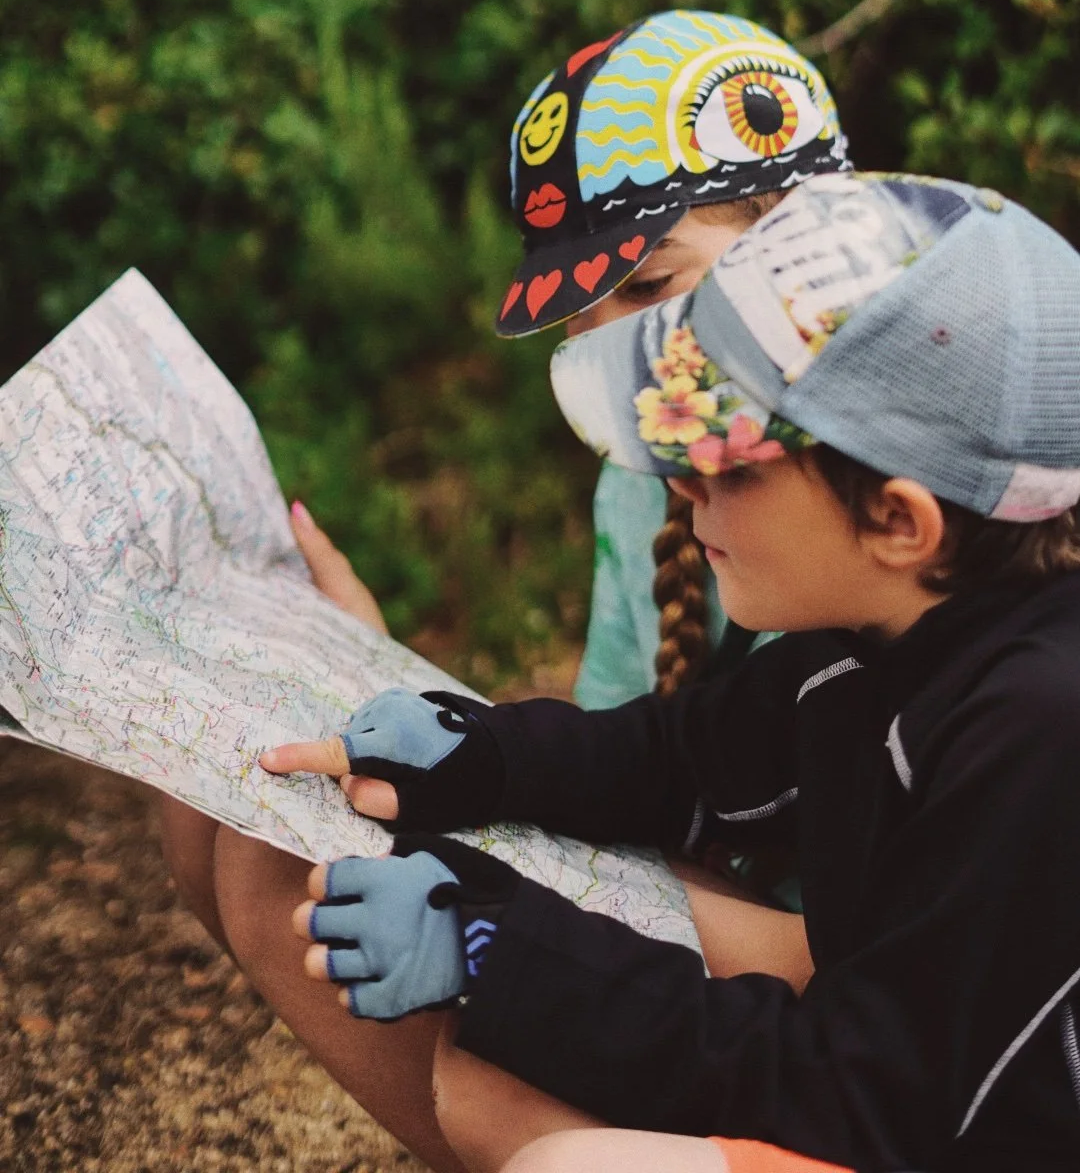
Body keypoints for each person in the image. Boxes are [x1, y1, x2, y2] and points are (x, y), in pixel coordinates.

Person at [275, 172, 1080, 1171]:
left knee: (574, 1162)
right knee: (494, 1088)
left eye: (730, 462)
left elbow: (863, 1093)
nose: (682, 477)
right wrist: (479, 752)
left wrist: (497, 951)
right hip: (888, 1095)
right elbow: (682, 757)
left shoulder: (1042, 727)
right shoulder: (874, 631)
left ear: (898, 521)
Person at [494, 8, 850, 704]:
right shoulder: (633, 488)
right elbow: (613, 741)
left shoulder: (898, 477)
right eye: (574, 311)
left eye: (649, 285)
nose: (600, 347)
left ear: (802, 245)